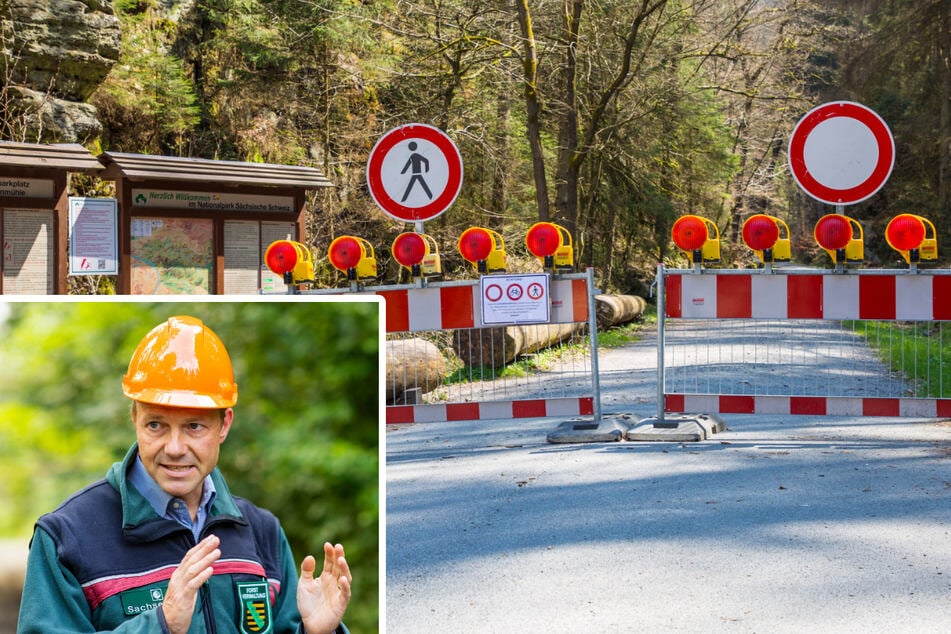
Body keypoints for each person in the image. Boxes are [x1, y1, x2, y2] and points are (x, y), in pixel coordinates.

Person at [17, 315, 352, 634]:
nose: (174, 447)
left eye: (194, 426)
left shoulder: (261, 533)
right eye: (155, 425)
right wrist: (160, 625)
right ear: (134, 418)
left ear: (224, 425)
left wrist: (315, 631)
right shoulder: (66, 538)